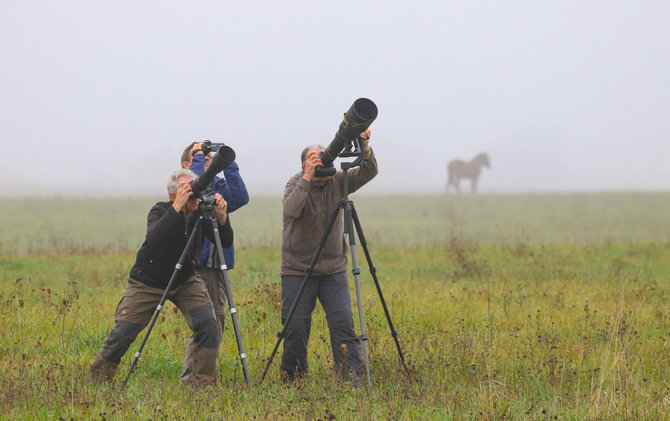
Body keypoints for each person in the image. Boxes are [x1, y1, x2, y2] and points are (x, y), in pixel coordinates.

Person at [91, 168, 233, 387]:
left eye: (195, 188)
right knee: (125, 331)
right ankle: (97, 381)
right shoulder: (160, 210)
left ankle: (202, 385)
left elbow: (224, 241)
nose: (194, 194)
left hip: (184, 279)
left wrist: (222, 218)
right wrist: (177, 208)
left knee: (208, 324)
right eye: (188, 190)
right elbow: (155, 238)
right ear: (173, 196)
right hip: (149, 280)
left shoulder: (199, 213)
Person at [280, 129, 377, 383]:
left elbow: (368, 172)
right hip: (297, 269)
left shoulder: (337, 180)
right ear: (303, 165)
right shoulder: (295, 183)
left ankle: (351, 378)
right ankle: (294, 379)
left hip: (333, 269)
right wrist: (307, 179)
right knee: (296, 327)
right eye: (314, 158)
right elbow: (291, 210)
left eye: (323, 158)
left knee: (343, 322)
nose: (321, 162)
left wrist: (364, 147)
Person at [179, 141, 248, 384]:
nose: (206, 159)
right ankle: (194, 377)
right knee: (205, 323)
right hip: (196, 263)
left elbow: (240, 197)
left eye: (207, 156)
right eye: (199, 157)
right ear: (188, 163)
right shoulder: (184, 188)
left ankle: (198, 375)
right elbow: (194, 185)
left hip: (217, 263)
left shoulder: (217, 186)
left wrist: (227, 163)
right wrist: (198, 159)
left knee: (215, 322)